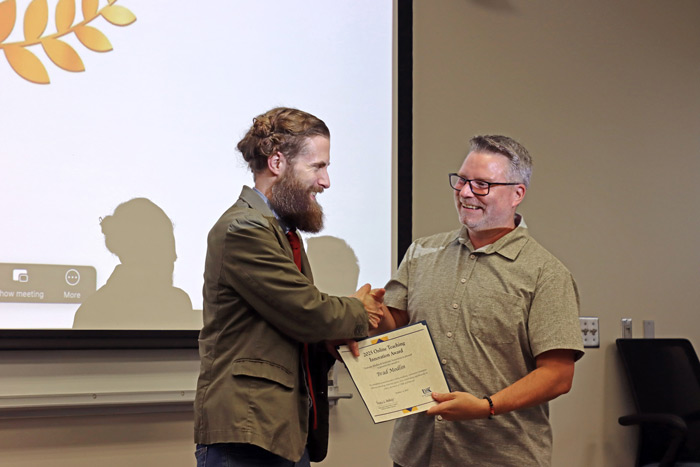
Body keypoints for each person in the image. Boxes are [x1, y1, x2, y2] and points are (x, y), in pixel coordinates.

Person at [374, 135, 584, 466]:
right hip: (416, 453)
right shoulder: (421, 253)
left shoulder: (546, 274)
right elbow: (394, 323)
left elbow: (558, 374)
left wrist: (487, 406)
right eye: (462, 181)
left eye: (483, 184)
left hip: (499, 456)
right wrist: (368, 313)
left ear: (518, 194)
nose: (466, 192)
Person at [193, 107, 384, 467]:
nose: (326, 181)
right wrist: (361, 310)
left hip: (279, 431)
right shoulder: (244, 229)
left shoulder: (280, 230)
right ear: (278, 162)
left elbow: (288, 327)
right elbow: (307, 311)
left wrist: (329, 340)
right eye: (318, 167)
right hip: (248, 435)